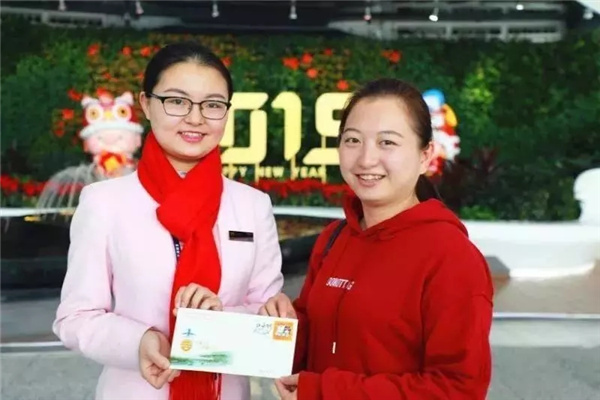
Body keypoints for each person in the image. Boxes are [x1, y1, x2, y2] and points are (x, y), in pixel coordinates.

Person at [52, 41, 284, 400]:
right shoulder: (105, 202)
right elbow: (75, 317)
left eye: (212, 105)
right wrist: (140, 341)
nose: (195, 118)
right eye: (177, 101)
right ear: (146, 104)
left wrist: (220, 321)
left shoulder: (252, 206)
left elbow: (268, 314)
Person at [260, 78, 494, 400]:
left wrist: (325, 391)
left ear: (425, 155)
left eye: (387, 142)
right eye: (353, 140)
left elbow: (458, 389)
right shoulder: (334, 238)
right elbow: (315, 342)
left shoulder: (451, 257)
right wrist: (283, 325)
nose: (366, 159)